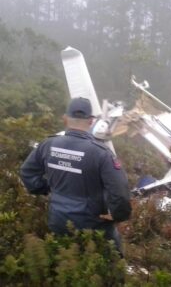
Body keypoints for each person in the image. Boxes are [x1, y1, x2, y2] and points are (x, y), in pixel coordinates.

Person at [20, 97, 132, 254]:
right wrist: (117, 214)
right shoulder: (101, 153)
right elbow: (119, 190)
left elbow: (27, 172)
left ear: (65, 119)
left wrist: (47, 189)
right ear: (91, 121)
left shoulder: (48, 145)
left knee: (64, 261)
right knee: (112, 261)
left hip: (58, 221)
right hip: (94, 225)